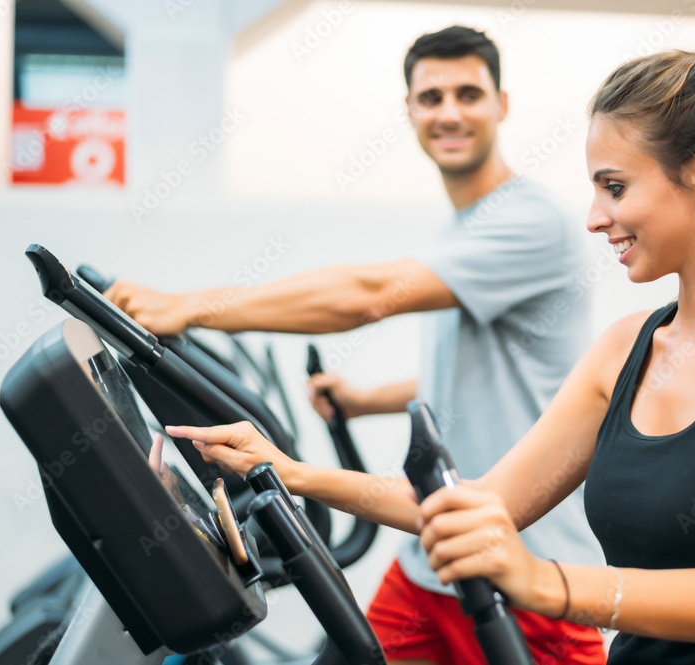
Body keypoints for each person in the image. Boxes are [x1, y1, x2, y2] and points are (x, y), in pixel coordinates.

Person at [170, 49, 695, 663]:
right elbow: (484, 503)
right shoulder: (625, 350)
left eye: (615, 186)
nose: (595, 216)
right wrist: (291, 472)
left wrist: (545, 582)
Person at [109, 25, 607, 665]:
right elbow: (499, 374)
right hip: (434, 561)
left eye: (468, 93)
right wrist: (366, 399)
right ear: (409, 112)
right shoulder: (467, 226)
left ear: (501, 105)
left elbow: (368, 295)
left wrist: (193, 306)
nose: (449, 112)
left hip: (526, 571)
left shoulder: (531, 220)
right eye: (431, 97)